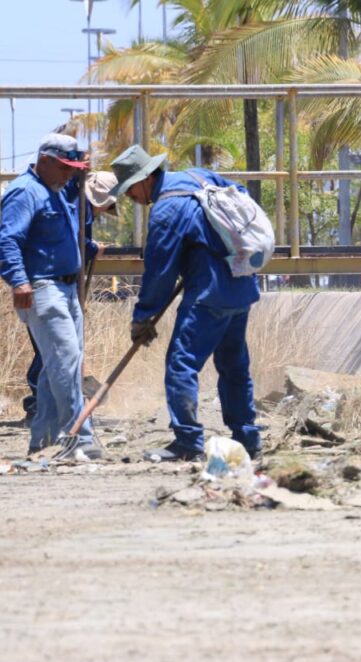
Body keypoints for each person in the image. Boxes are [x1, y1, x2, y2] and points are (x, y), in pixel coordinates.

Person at [110, 145, 261, 462]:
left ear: (145, 178)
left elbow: (159, 272)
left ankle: (188, 442)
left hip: (210, 295)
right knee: (234, 366)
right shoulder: (199, 176)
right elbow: (243, 197)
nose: (129, 197)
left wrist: (143, 317)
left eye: (130, 189)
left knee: (181, 364)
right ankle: (247, 438)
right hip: (241, 284)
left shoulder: (166, 209)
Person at [0, 133, 102, 458]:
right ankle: (78, 438)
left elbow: (77, 205)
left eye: (73, 169)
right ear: (44, 161)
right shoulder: (24, 192)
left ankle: (41, 440)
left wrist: (80, 172)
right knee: (67, 366)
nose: (69, 174)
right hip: (42, 288)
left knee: (53, 368)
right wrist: (19, 281)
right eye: (64, 168)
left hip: (67, 289)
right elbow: (8, 241)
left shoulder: (55, 190)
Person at [22, 171, 119, 423]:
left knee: (57, 349)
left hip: (57, 283)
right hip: (49, 284)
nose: (102, 213)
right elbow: (77, 242)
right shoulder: (78, 207)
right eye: (105, 207)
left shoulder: (73, 204)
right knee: (53, 349)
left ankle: (48, 409)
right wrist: (93, 248)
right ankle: (40, 405)